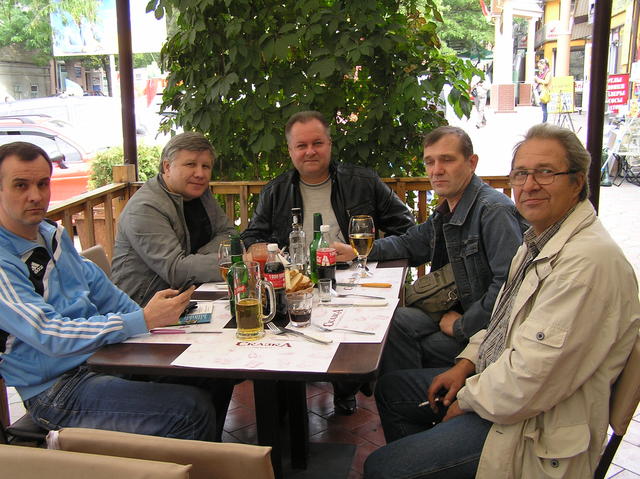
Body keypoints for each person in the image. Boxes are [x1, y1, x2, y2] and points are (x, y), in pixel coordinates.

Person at [364, 124, 640, 479]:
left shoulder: (587, 264)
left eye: (545, 172)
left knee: (381, 467)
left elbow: (530, 378)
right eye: (521, 174)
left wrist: (466, 398)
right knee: (392, 389)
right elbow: (503, 320)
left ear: (577, 181)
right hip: (502, 383)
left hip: (537, 426)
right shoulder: (538, 241)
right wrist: (466, 363)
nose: (529, 185)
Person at [0, 141, 230, 441]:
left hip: (105, 357)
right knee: (189, 411)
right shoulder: (4, 260)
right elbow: (49, 334)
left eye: (43, 184)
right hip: (56, 388)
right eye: (21, 185)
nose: (35, 195)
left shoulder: (52, 234)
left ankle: (201, 459)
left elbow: (101, 289)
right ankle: (182, 463)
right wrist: (141, 320)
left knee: (213, 374)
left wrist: (150, 320)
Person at [241, 110, 415, 415]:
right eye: (301, 145)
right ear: (290, 151)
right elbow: (252, 236)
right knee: (276, 326)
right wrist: (261, 251)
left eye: (317, 143)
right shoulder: (275, 191)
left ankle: (346, 384)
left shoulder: (363, 181)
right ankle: (288, 401)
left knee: (356, 333)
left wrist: (361, 252)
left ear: (330, 145)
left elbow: (408, 230)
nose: (310, 151)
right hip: (297, 283)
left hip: (351, 278)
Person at [335, 126, 524, 375]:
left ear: (472, 162)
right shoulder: (448, 211)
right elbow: (409, 243)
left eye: (447, 160)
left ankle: (411, 391)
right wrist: (357, 251)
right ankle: (405, 390)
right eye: (430, 162)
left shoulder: (493, 211)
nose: (436, 170)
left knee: (398, 342)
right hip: (450, 311)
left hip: (484, 331)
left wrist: (461, 325)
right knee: (390, 321)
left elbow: (508, 286)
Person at [112, 132, 236, 306]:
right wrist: (234, 262)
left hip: (189, 296)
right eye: (190, 164)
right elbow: (176, 270)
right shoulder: (145, 207)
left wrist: (195, 259)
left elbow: (228, 234)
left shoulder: (200, 194)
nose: (200, 174)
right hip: (142, 308)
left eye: (206, 166)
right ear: (167, 167)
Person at [534, 58, 552, 123]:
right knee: (543, 108)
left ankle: (544, 122)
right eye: (539, 67)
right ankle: (544, 121)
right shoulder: (542, 72)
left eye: (540, 66)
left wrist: (538, 80)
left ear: (544, 65)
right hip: (540, 90)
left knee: (544, 108)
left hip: (544, 91)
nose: (539, 67)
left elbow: (546, 82)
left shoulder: (548, 72)